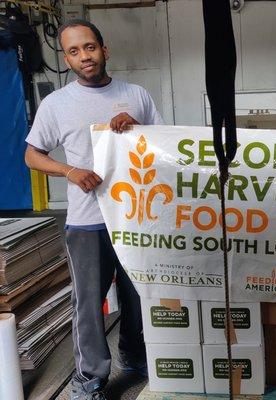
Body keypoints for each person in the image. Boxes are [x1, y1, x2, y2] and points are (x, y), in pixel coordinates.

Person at [24, 19, 164, 400]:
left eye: (89, 47)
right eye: (73, 51)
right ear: (66, 58)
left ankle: (135, 358)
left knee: (138, 297)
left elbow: (164, 151)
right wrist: (69, 171)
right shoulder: (56, 104)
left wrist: (139, 131)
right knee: (89, 306)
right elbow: (32, 156)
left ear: (104, 49)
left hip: (136, 218)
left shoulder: (136, 95)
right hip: (87, 222)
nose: (84, 56)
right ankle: (89, 381)